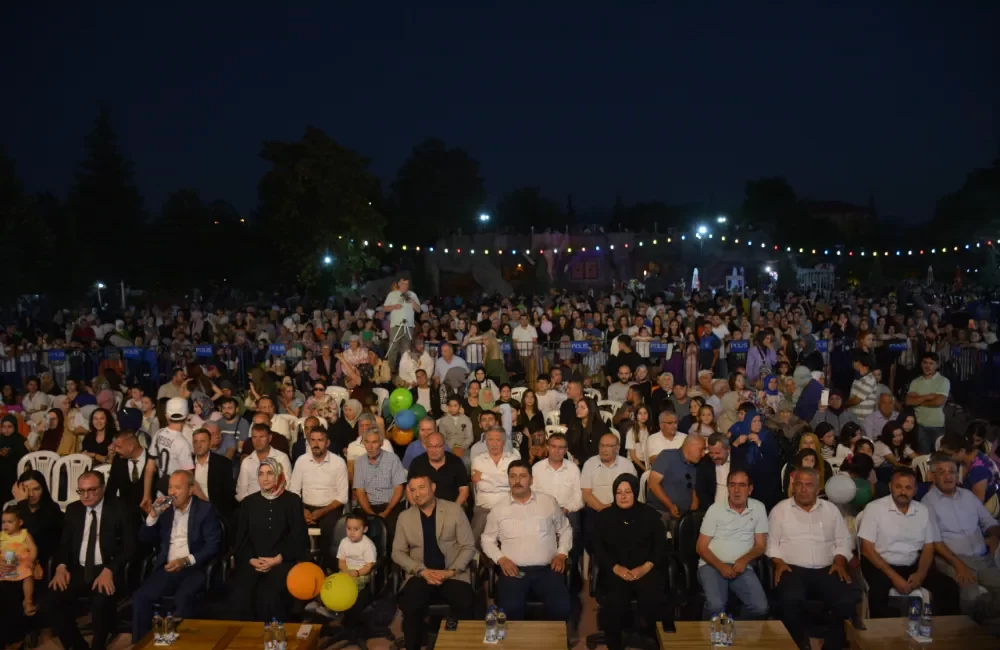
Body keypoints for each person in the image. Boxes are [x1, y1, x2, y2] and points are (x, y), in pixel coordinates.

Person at [767, 467, 858, 650]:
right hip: (792, 568)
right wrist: (778, 562)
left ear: (818, 489)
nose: (803, 489)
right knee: (791, 598)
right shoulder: (780, 510)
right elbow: (771, 543)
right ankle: (800, 643)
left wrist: (840, 560)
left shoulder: (831, 510)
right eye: (799, 484)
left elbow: (843, 540)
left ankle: (832, 644)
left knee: (846, 598)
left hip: (828, 567)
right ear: (793, 486)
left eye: (808, 485)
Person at [43, 471, 136, 650]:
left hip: (106, 568)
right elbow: (64, 545)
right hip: (79, 569)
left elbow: (130, 546)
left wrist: (109, 570)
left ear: (103, 488)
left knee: (100, 602)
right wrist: (61, 567)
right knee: (50, 601)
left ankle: (98, 645)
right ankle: (77, 645)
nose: (86, 495)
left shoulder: (119, 508)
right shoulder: (73, 510)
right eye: (81, 491)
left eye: (91, 490)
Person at [132, 471, 222, 642]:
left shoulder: (205, 510)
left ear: (190, 490)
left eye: (177, 488)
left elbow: (213, 546)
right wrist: (152, 516)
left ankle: (181, 644)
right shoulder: (164, 510)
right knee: (140, 597)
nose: (172, 492)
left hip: (194, 568)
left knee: (184, 598)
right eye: (170, 487)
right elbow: (143, 539)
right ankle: (140, 644)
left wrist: (185, 561)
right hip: (168, 568)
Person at [859, 467, 960, 618]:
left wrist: (920, 573)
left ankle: (943, 633)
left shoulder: (922, 510)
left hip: (912, 564)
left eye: (908, 488)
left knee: (948, 587)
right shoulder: (875, 508)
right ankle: (882, 637)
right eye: (898, 486)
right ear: (890, 486)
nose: (903, 492)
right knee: (878, 592)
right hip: (880, 565)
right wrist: (894, 577)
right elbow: (867, 549)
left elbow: (928, 547)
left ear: (915, 490)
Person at [481, 459, 573, 622]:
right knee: (510, 609)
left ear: (531, 480)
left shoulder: (548, 502)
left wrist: (561, 554)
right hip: (514, 571)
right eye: (513, 476)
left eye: (522, 476)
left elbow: (565, 529)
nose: (517, 481)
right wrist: (501, 559)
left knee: (562, 607)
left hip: (546, 569)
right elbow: (487, 539)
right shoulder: (498, 509)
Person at [393, 472, 477, 650]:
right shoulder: (405, 517)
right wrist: (421, 571)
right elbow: (397, 553)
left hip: (452, 573)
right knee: (410, 605)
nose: (417, 494)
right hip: (421, 574)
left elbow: (468, 546)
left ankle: (462, 645)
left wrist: (451, 571)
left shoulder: (454, 510)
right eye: (413, 490)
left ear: (433, 488)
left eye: (422, 487)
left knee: (466, 603)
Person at [226, 458, 309, 621]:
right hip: (254, 560)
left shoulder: (292, 501)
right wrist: (251, 559)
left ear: (278, 475)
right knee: (241, 594)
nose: (265, 478)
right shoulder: (249, 502)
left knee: (269, 597)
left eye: (270, 473)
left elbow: (298, 537)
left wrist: (277, 559)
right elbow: (242, 539)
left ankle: (274, 640)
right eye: (261, 474)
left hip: (282, 560)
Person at [922, 452, 1000, 622]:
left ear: (958, 475)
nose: (948, 476)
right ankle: (971, 635)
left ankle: (988, 632)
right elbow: (936, 543)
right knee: (971, 597)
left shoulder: (969, 496)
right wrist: (960, 566)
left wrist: (994, 537)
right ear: (934, 476)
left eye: (952, 471)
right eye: (942, 472)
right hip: (953, 560)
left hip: (983, 558)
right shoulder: (927, 502)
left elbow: (990, 522)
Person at [594, 473, 668, 650]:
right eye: (619, 492)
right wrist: (615, 568)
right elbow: (597, 549)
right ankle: (615, 643)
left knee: (653, 595)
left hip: (646, 569)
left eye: (628, 491)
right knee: (615, 599)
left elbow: (660, 547)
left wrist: (645, 567)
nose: (623, 496)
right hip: (616, 571)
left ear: (635, 492)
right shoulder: (604, 517)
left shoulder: (651, 515)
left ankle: (649, 637)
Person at [696, 469, 769, 620]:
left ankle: (733, 631)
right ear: (727, 488)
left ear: (750, 489)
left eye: (742, 485)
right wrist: (721, 566)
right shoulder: (715, 509)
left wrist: (744, 560)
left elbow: (760, 545)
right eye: (732, 485)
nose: (736, 490)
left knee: (760, 608)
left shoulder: (759, 508)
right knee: (716, 605)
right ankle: (705, 638)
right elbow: (701, 547)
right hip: (712, 565)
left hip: (742, 567)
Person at [289, 427, 349, 564]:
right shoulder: (301, 461)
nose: (316, 444)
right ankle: (302, 566)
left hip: (330, 508)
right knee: (293, 524)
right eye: (313, 440)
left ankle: (327, 566)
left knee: (330, 527)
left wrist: (321, 512)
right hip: (305, 506)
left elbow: (342, 497)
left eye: (320, 440)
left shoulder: (338, 463)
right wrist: (303, 510)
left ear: (327, 443)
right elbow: (294, 492)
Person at [533, 432, 585, 568]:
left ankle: (570, 567)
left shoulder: (573, 469)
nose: (557, 450)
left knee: (575, 522)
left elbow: (579, 498)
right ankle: (541, 565)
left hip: (567, 510)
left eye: (561, 447)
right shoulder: (537, 468)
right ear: (548, 447)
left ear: (566, 450)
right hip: (542, 510)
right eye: (554, 446)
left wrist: (565, 509)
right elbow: (531, 494)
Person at [352, 428, 407, 549]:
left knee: (392, 532)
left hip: (392, 505)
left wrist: (386, 512)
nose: (370, 446)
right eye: (367, 442)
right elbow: (360, 492)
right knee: (363, 531)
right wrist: (370, 513)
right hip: (369, 506)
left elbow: (399, 489)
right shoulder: (359, 462)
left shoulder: (393, 459)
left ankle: (391, 565)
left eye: (374, 442)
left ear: (381, 443)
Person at [581, 432, 636, 548]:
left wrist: (615, 509)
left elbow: (632, 492)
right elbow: (586, 494)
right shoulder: (590, 464)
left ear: (617, 448)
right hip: (596, 510)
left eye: (608, 446)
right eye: (601, 445)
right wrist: (602, 508)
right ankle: (597, 560)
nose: (603, 449)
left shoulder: (627, 465)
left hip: (621, 510)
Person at [470, 427, 519, 540]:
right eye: (490, 440)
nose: (494, 444)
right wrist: (504, 483)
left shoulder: (513, 459)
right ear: (486, 441)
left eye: (497, 440)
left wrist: (483, 476)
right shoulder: (478, 460)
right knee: (475, 539)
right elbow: (482, 486)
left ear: (503, 441)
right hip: (484, 508)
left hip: (508, 507)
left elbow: (514, 482)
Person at [939, 433, 1000, 517]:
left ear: (961, 451)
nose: (947, 458)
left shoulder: (979, 471)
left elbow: (976, 506)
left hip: (984, 506)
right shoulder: (969, 456)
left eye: (949, 455)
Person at [648, 435, 706, 521]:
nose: (703, 454)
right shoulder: (667, 456)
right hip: (660, 512)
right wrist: (670, 505)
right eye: (701, 449)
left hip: (684, 516)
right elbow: (653, 484)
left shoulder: (696, 465)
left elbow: (692, 488)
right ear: (690, 445)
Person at [407, 431, 470, 506]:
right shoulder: (417, 463)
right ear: (426, 447)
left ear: (444, 446)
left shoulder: (456, 462)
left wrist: (454, 510)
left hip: (451, 507)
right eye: (430, 446)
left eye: (437, 446)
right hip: (423, 508)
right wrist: (417, 509)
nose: (433, 450)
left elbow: (464, 491)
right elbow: (409, 488)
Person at [906, 353, 950, 453]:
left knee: (938, 456)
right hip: (919, 425)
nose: (927, 366)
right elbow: (909, 401)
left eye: (931, 363)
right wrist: (927, 396)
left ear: (937, 365)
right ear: (921, 364)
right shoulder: (915, 382)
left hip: (937, 425)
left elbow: (938, 401)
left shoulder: (943, 381)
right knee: (922, 457)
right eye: (925, 362)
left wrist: (918, 401)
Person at [190, 428, 237, 523]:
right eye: (195, 442)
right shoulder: (188, 463)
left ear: (209, 442)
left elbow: (228, 495)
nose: (198, 445)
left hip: (215, 514)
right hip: (192, 512)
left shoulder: (223, 463)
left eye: (202, 441)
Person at [236, 423, 292, 502]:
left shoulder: (281, 458)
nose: (257, 441)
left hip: (276, 504)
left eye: (261, 437)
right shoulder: (247, 461)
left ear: (269, 438)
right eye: (254, 437)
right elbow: (241, 489)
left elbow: (287, 485)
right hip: (252, 506)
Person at [105, 430, 154, 515]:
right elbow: (111, 488)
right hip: (125, 514)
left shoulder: (152, 460)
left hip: (150, 513)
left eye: (118, 447)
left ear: (130, 447)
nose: (115, 450)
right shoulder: (118, 460)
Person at [1, 505, 38, 614]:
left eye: (10, 522)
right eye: (3, 522)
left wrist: (31, 559)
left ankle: (28, 601)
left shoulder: (24, 534)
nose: (5, 525)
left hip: (21, 560)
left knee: (28, 575)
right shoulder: (1, 535)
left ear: (20, 523)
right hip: (6, 560)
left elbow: (33, 548)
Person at [384, 276, 420, 371]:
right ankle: (391, 370)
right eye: (403, 283)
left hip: (409, 326)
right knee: (393, 348)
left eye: (407, 284)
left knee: (406, 349)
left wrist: (412, 301)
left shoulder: (412, 294)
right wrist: (394, 306)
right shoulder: (392, 294)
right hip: (396, 325)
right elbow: (385, 308)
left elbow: (419, 309)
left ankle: (404, 370)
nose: (405, 286)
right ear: (399, 283)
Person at [697, 432, 734, 508]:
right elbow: (702, 490)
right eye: (711, 453)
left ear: (728, 449)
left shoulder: (740, 461)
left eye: (717, 453)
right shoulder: (704, 462)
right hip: (712, 508)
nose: (714, 457)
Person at [437, 396, 473, 461]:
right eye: (450, 406)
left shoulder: (466, 419)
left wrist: (462, 448)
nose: (452, 408)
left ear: (460, 406)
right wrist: (451, 448)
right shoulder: (443, 420)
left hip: (464, 448)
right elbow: (442, 438)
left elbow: (470, 437)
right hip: (448, 448)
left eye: (455, 406)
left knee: (467, 461)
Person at [0, 414, 27, 498]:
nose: (6, 430)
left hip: (15, 474)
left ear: (15, 427)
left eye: (9, 427)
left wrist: (11, 453)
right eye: (3, 427)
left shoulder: (21, 440)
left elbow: (25, 458)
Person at [846, 349, 878, 420]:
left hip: (864, 420)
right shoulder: (858, 378)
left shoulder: (869, 379)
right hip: (854, 418)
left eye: (854, 362)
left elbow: (856, 400)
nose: (852, 364)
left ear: (858, 363)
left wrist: (844, 405)